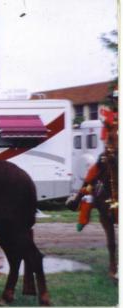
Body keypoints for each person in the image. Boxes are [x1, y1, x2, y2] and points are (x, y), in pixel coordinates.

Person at [66, 90, 118, 231]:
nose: (117, 102)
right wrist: (109, 149)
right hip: (112, 152)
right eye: (115, 100)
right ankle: (78, 202)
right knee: (93, 173)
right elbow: (105, 138)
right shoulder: (110, 118)